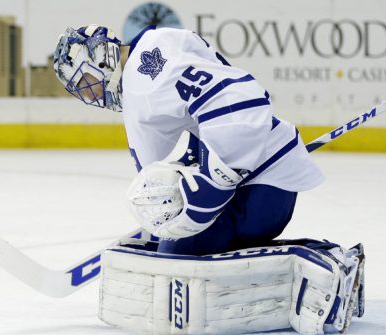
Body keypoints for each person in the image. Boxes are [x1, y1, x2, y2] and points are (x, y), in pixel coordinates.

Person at [53, 24, 325, 256]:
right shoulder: (162, 39)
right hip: (268, 184)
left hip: (261, 190)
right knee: (169, 250)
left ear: (100, 57)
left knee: (173, 260)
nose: (89, 96)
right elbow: (160, 175)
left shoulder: (142, 84)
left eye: (84, 82)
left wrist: (218, 177)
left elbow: (240, 99)